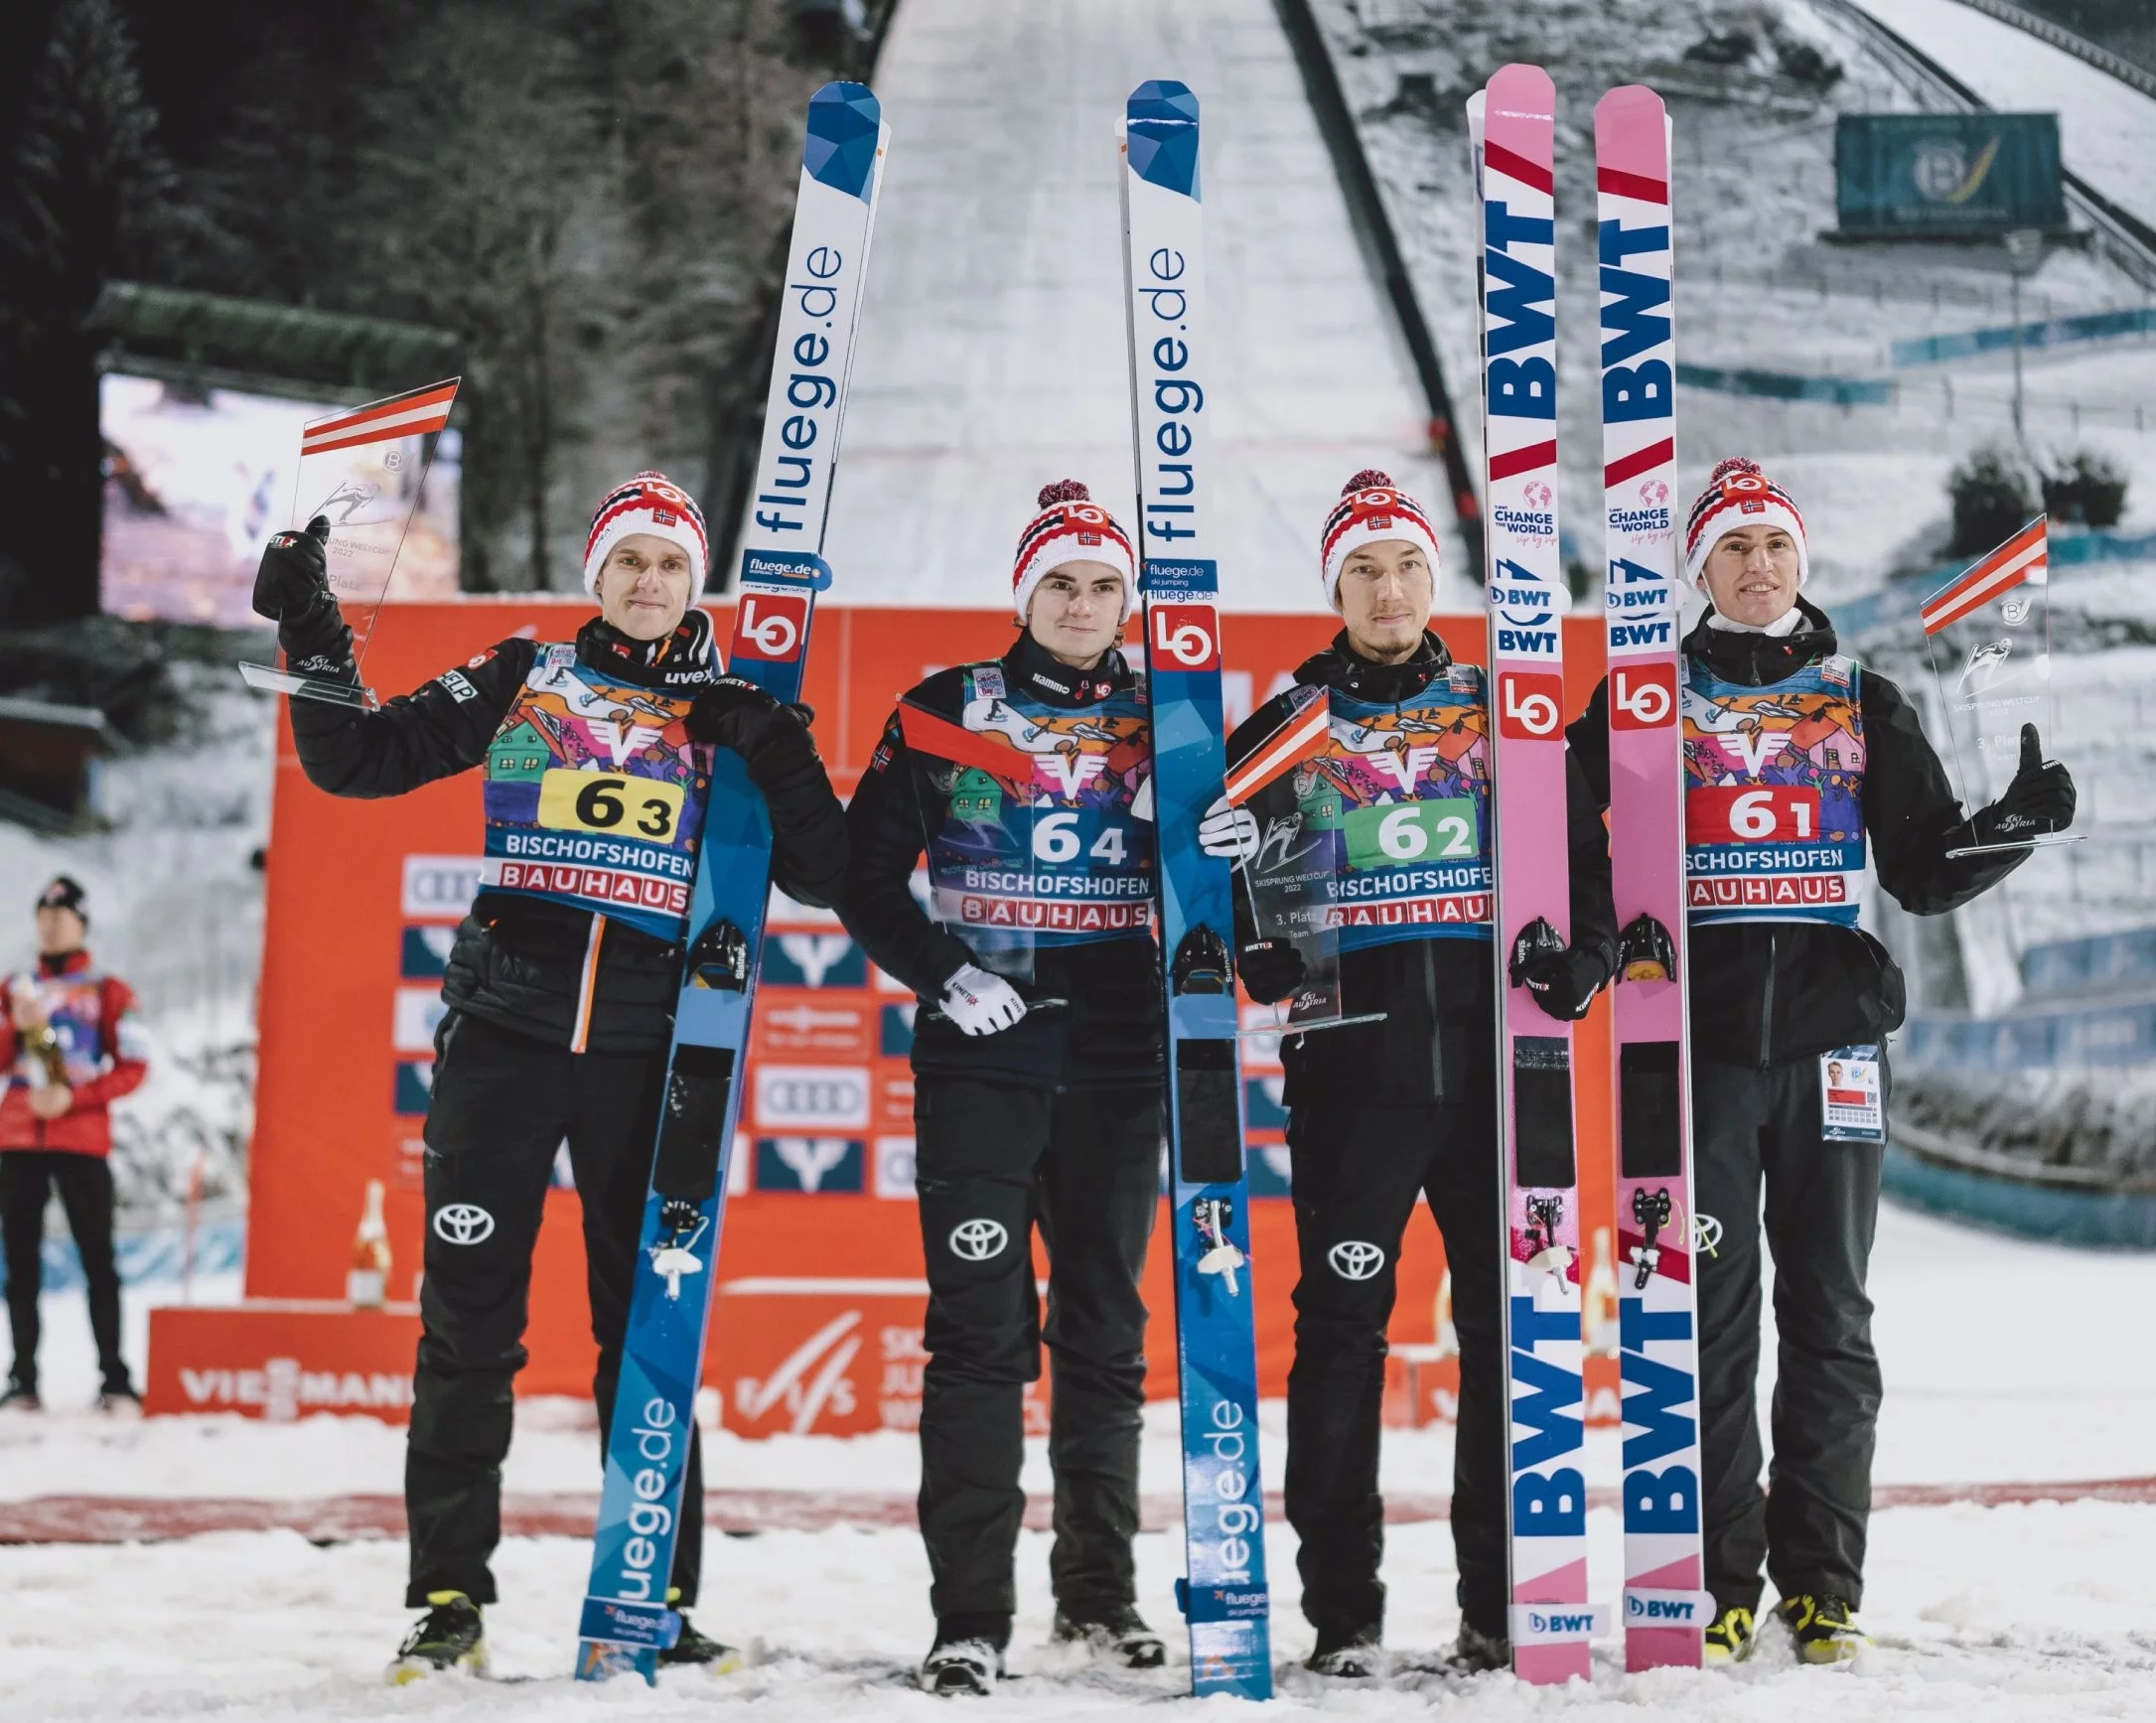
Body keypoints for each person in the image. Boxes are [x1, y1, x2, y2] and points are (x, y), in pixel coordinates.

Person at [254, 470, 848, 1681]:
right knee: (468, 1333)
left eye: (670, 563)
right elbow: (355, 760)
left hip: (652, 1059)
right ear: (597, 573)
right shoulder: (528, 673)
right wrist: (310, 631)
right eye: (627, 559)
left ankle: (654, 1598)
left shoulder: (730, 702)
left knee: (648, 1333)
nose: (647, 581)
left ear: (693, 582)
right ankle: (446, 1599)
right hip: (506, 1043)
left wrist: (779, 756)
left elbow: (828, 877)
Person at [1565, 458, 2077, 1666]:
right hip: (1697, 1052)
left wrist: (2016, 823)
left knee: (1835, 1316)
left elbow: (1921, 866)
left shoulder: (1859, 695)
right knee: (1715, 1321)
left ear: (1803, 564)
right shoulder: (1646, 695)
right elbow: (1554, 829)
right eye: (1734, 549)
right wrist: (1593, 943)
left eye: (1776, 549)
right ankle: (1721, 1579)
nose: (1758, 567)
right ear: (1700, 569)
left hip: (1837, 1049)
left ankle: (1823, 1585)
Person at [1206, 470, 1617, 1676]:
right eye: (1362, 571)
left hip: (1503, 1082)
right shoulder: (1282, 725)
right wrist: (1247, 920)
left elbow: (1587, 876)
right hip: (1353, 1080)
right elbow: (1254, 943)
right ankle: (1344, 1614)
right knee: (1340, 1336)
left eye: (1406, 567)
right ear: (1334, 588)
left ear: (1437, 581)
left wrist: (1586, 963)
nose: (1387, 591)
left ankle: (1502, 1604)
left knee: (1511, 1332)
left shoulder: (1506, 710)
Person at [841, 481, 1173, 1696]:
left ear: (1128, 600)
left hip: (1120, 1053)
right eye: (1062, 583)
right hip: (984, 1050)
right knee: (980, 1338)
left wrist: (1230, 844)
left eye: (1103, 586)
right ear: (1022, 594)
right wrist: (941, 969)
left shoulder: (1169, 713)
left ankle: (1099, 1598)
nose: (1083, 605)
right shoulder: (944, 710)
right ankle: (969, 1617)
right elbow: (861, 873)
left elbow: (1229, 892)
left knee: (1104, 1330)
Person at [1, 876, 150, 1413]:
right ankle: (22, 1378)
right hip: (18, 1141)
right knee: (19, 1264)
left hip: (83, 1142)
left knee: (98, 1260)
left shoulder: (110, 990)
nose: (50, 922)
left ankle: (114, 1377)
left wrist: (75, 1099)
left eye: (61, 914)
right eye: (42, 912)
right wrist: (15, 1029)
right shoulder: (14, 988)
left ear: (82, 923)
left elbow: (135, 1066)